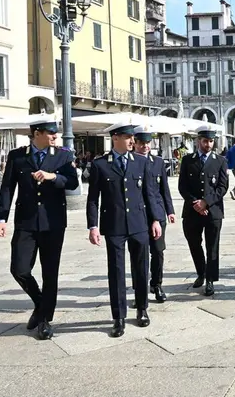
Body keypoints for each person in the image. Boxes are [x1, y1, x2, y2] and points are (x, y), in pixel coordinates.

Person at [0, 115, 78, 340]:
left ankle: (44, 320)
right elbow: (7, 189)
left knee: (50, 272)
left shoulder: (63, 156)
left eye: (56, 133)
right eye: (51, 133)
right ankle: (41, 303)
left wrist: (53, 176)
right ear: (37, 134)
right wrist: (1, 219)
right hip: (26, 222)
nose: (55, 136)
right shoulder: (18, 156)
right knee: (19, 269)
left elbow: (73, 183)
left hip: (53, 223)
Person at [87, 120, 164, 338]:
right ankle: (118, 317)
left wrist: (156, 220)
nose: (132, 141)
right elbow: (93, 199)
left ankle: (142, 309)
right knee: (117, 271)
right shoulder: (101, 165)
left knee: (141, 268)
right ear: (116, 138)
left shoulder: (141, 162)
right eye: (128, 137)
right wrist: (93, 226)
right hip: (114, 225)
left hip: (139, 224)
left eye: (132, 137)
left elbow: (149, 194)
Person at [179, 126, 229, 296]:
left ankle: (210, 280)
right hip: (192, 211)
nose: (208, 144)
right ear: (198, 141)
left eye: (211, 141)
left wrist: (206, 202)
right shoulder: (188, 160)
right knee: (193, 243)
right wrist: (196, 203)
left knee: (212, 246)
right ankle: (201, 272)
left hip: (213, 211)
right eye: (205, 141)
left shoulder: (220, 160)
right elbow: (182, 186)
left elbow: (223, 187)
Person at [132, 125, 177, 303]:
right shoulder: (131, 161)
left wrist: (170, 210)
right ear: (135, 143)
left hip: (157, 213)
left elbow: (164, 189)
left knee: (158, 252)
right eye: (141, 143)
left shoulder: (157, 162)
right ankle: (139, 290)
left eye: (147, 143)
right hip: (138, 214)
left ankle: (156, 284)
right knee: (138, 255)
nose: (145, 146)